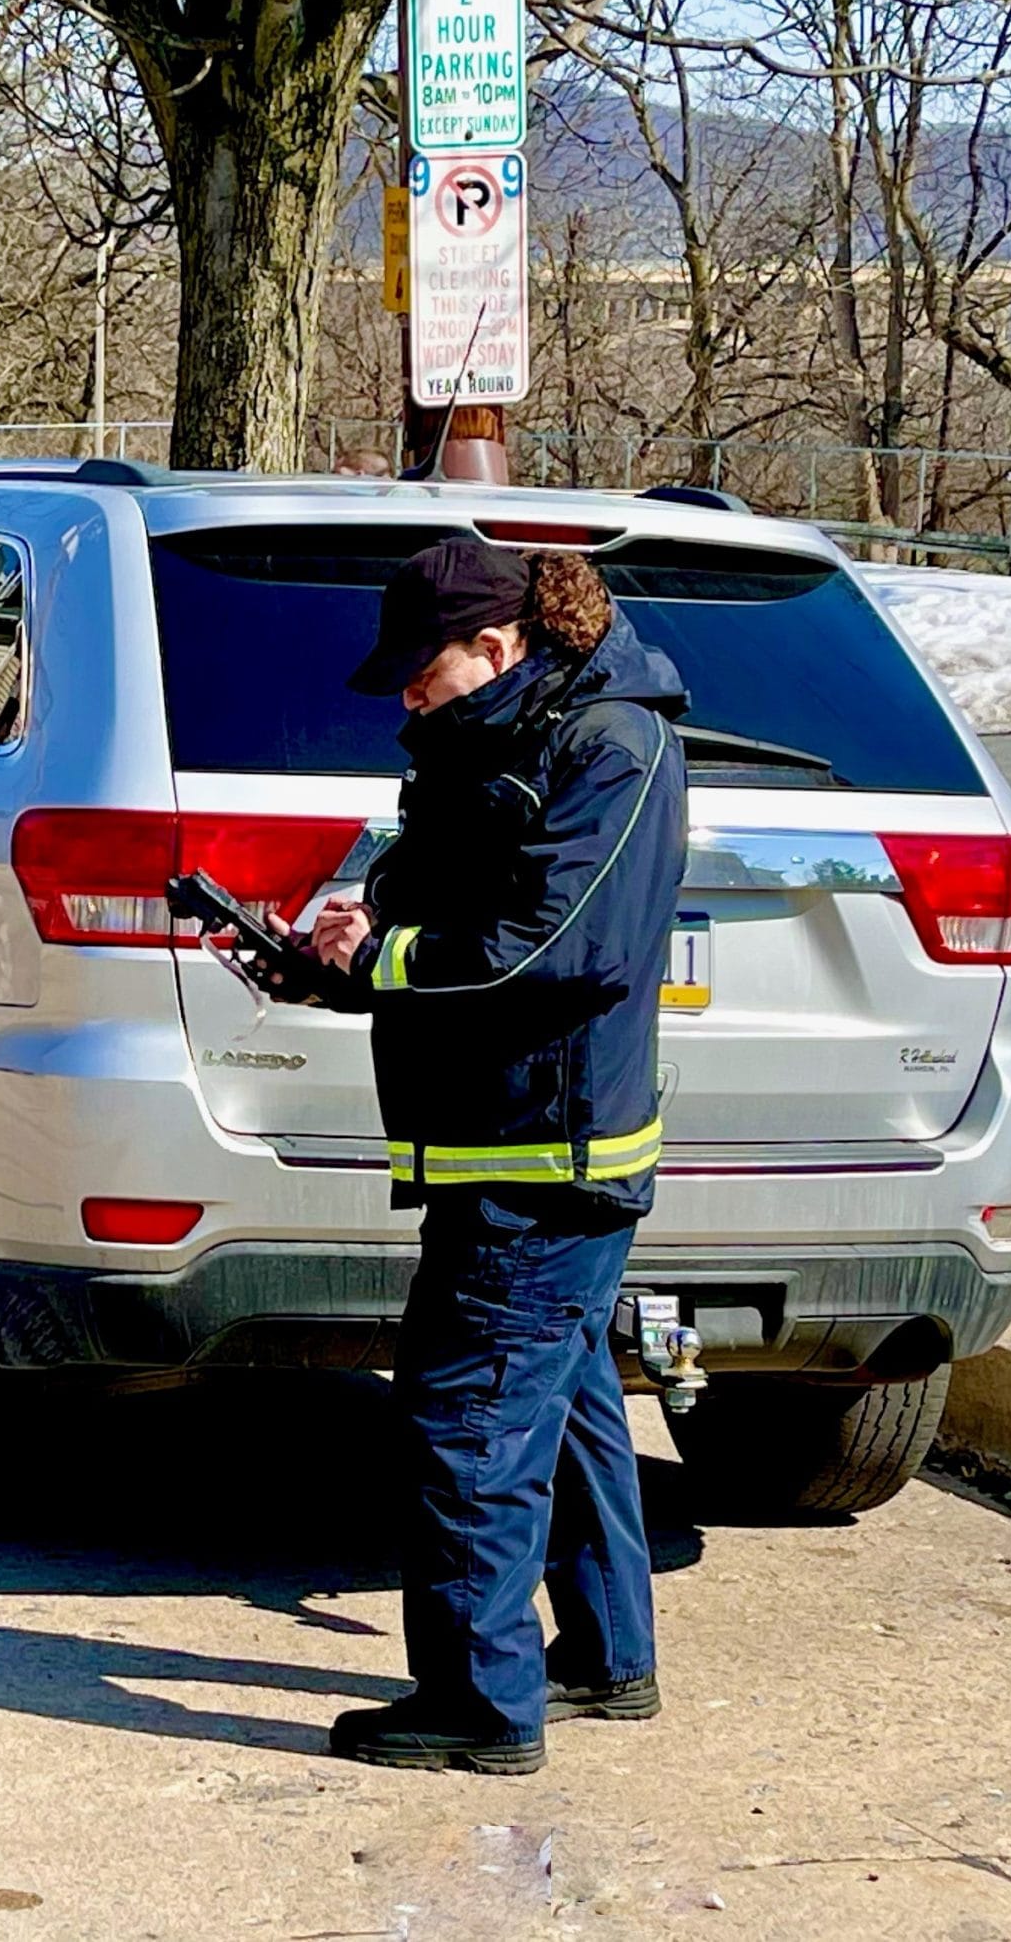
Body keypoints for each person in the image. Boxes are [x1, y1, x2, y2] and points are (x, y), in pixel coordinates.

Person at [297, 537, 689, 1776]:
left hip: (540, 1163)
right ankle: (604, 1660)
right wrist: (358, 937)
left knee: (470, 1425)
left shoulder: (605, 750)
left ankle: (477, 1706)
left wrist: (384, 961)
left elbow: (548, 947)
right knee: (562, 1406)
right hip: (503, 1150)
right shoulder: (501, 742)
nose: (407, 694)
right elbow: (461, 905)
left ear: (500, 648)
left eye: (423, 670)